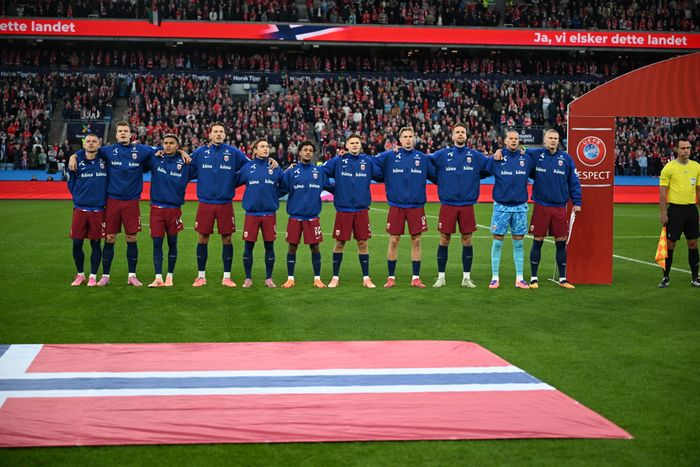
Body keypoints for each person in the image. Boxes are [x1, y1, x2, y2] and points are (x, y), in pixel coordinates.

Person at [69, 122, 156, 287]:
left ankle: (132, 275)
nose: (123, 133)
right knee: (109, 238)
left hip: (131, 201)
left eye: (125, 131)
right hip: (112, 201)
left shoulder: (141, 150)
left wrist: (181, 151)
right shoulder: (107, 151)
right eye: (120, 131)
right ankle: (105, 276)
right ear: (116, 135)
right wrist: (74, 155)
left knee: (131, 237)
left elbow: (162, 149)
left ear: (131, 134)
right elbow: (89, 149)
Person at [188, 122, 274, 287]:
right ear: (210, 135)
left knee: (227, 238)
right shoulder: (200, 152)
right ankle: (201, 276)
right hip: (205, 202)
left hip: (225, 203)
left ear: (225, 135)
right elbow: (185, 163)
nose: (218, 134)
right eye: (215, 131)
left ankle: (227, 277)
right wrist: (179, 152)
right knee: (202, 238)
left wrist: (269, 161)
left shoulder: (234, 152)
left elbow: (252, 165)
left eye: (221, 131)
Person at [429, 123, 490, 288]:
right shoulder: (442, 154)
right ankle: (441, 277)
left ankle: (466, 278)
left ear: (466, 135)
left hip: (467, 204)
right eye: (457, 132)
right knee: (444, 239)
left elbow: (490, 165)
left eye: (463, 132)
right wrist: (438, 179)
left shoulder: (475, 155)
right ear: (452, 136)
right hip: (448, 204)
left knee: (467, 239)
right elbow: (424, 162)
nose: (460, 134)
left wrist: (499, 153)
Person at [519, 129, 582, 289]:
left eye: (555, 138)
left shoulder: (566, 159)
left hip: (559, 207)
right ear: (545, 140)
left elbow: (574, 182)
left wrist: (577, 202)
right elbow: (521, 150)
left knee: (560, 241)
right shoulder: (536, 155)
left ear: (558, 140)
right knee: (538, 240)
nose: (553, 140)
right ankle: (534, 278)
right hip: (541, 205)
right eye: (550, 138)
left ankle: (563, 278)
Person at [375, 127, 436, 288]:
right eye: (405, 137)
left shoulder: (422, 158)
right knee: (394, 240)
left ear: (414, 139)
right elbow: (371, 162)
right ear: (400, 140)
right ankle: (391, 278)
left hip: (416, 206)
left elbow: (436, 176)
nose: (408, 139)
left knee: (416, 241)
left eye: (410, 136)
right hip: (396, 205)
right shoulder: (390, 156)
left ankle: (415, 278)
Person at [321, 134, 383, 288]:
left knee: (362, 243)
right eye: (352, 143)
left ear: (360, 145)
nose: (355, 145)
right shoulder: (338, 161)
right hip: (344, 209)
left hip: (361, 210)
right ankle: (335, 277)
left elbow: (381, 176)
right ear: (346, 146)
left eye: (357, 143)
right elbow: (321, 172)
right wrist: (333, 189)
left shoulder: (367, 161)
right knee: (339, 243)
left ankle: (366, 278)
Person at [147, 134, 197, 287]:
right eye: (165, 143)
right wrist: (158, 149)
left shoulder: (185, 163)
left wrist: (183, 153)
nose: (168, 145)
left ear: (177, 146)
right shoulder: (156, 158)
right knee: (157, 243)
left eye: (171, 143)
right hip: (157, 209)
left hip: (174, 210)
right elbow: (141, 149)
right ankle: (158, 278)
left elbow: (201, 164)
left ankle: (169, 277)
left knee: (172, 243)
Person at [486, 130, 534, 289]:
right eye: (511, 138)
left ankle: (520, 278)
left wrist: (526, 150)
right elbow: (483, 169)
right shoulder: (497, 158)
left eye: (516, 138)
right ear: (505, 141)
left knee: (519, 243)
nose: (514, 141)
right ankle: (495, 277)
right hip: (501, 206)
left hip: (520, 207)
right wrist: (496, 152)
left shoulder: (526, 158)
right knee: (497, 242)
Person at [235, 138, 286, 288]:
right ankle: (248, 278)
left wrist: (274, 195)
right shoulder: (247, 168)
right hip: (252, 214)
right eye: (262, 146)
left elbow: (284, 186)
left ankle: (269, 278)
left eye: (267, 146)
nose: (266, 148)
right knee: (248, 247)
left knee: (269, 247)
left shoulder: (275, 167)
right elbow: (234, 182)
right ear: (255, 150)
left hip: (269, 214)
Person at [282, 141, 333, 288]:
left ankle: (317, 278)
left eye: (310, 150)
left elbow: (331, 187)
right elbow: (280, 189)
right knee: (292, 247)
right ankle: (290, 278)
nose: (308, 152)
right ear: (299, 152)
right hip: (295, 216)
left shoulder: (319, 171)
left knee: (315, 247)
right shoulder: (292, 171)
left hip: (312, 217)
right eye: (305, 150)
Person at [658, 139, 700, 288]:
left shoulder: (696, 167)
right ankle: (665, 277)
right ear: (676, 149)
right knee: (670, 244)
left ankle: (695, 278)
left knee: (693, 243)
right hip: (675, 210)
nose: (686, 150)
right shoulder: (669, 168)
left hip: (691, 210)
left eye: (688, 148)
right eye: (683, 148)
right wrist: (663, 213)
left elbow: (699, 190)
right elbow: (663, 192)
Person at [67, 134, 107, 287]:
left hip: (98, 210)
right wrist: (79, 196)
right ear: (84, 145)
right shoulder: (77, 161)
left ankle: (92, 276)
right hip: (80, 208)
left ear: (99, 144)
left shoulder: (105, 161)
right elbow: (71, 184)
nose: (91, 143)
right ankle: (80, 275)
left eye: (94, 141)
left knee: (95, 244)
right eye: (88, 141)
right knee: (77, 243)